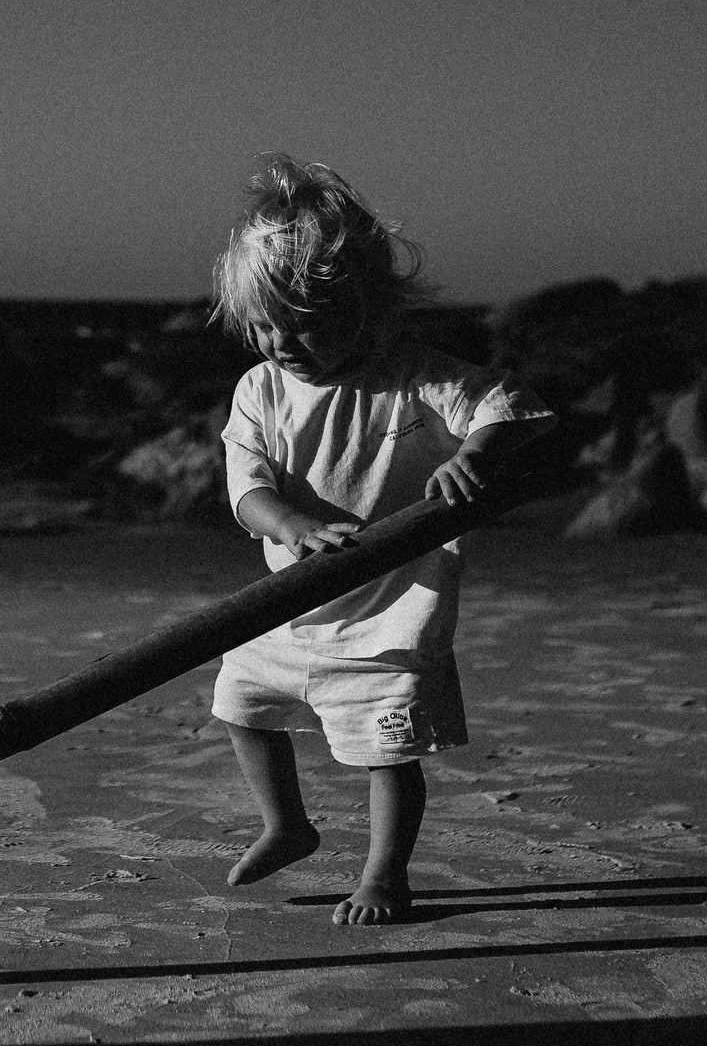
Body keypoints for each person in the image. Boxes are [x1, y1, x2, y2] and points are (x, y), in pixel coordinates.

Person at [211, 156, 552, 924]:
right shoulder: (260, 389)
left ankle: (383, 876)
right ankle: (286, 824)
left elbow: (508, 404)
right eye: (263, 324)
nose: (280, 341)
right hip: (291, 605)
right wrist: (293, 527)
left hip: (390, 619)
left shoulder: (413, 378)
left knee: (387, 752)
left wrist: (474, 453)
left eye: (302, 322)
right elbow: (248, 490)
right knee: (241, 707)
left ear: (364, 309)